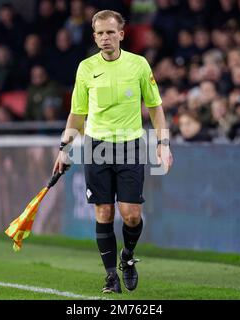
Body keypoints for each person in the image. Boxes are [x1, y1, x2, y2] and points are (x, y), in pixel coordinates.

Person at [52, 10, 173, 294]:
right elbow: (77, 113)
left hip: (131, 145)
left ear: (121, 33)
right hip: (96, 147)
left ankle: (127, 258)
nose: (105, 38)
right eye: (100, 33)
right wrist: (64, 149)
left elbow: (155, 107)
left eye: (110, 32)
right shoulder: (85, 68)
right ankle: (110, 277)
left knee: (131, 215)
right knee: (104, 213)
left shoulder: (139, 65)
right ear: (94, 36)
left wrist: (162, 143)